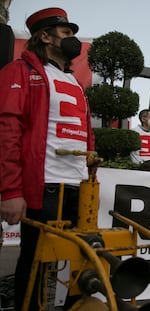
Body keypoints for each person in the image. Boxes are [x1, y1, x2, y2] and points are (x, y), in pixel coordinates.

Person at [0, 7, 94, 310]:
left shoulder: (76, 83)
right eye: (66, 33)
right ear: (45, 36)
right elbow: (7, 130)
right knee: (36, 262)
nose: (72, 39)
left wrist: (91, 173)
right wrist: (11, 191)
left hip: (79, 188)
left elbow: (86, 134)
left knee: (82, 261)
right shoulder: (20, 71)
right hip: (45, 187)